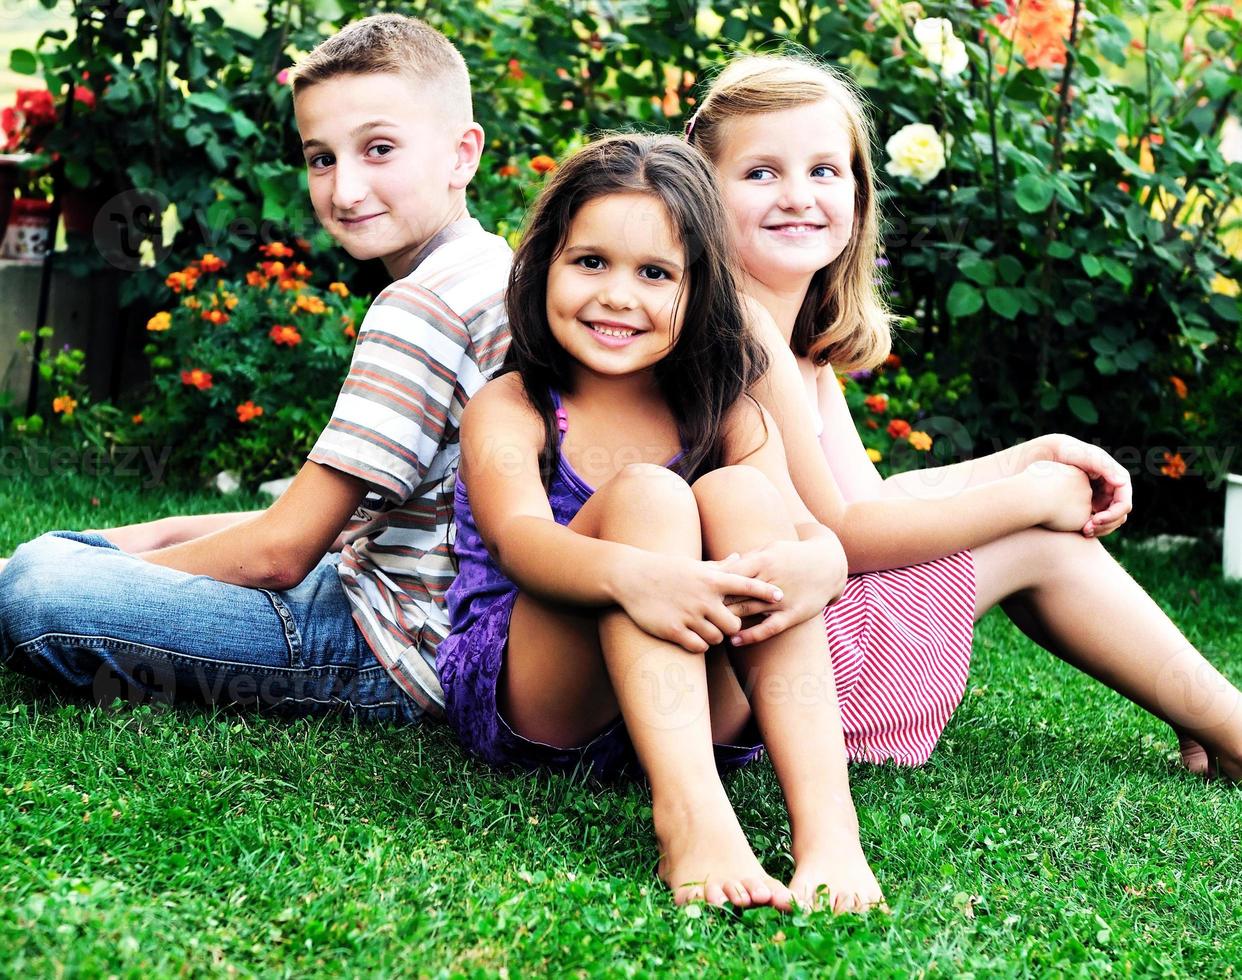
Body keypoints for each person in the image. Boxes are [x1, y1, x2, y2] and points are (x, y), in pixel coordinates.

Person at [685, 53, 1242, 780]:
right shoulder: (742, 332)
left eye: (825, 171)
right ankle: (1228, 721)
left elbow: (871, 498)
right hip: (757, 668)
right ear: (700, 191)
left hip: (774, 641)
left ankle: (1212, 720)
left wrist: (1027, 459)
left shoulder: (802, 348)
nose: (798, 196)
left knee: (1039, 529)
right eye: (761, 173)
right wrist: (1031, 497)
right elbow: (850, 538)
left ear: (858, 194)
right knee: (1046, 544)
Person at [0, 14, 512, 725]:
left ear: (463, 154)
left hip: (390, 648)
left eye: (380, 149)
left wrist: (113, 577)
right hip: (395, 598)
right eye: (322, 157)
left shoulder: (422, 305)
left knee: (38, 587)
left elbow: (282, 553)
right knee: (58, 557)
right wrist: (157, 533)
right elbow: (338, 523)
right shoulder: (493, 269)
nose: (346, 189)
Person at [437, 132, 885, 914]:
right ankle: (692, 817)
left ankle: (829, 835)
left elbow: (804, 530)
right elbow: (521, 541)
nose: (617, 296)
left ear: (700, 288)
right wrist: (641, 576)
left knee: (744, 502)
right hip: (543, 697)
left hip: (695, 699)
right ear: (543, 263)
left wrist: (825, 564)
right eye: (591, 263)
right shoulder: (511, 406)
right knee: (650, 496)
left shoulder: (725, 408)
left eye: (655, 273)